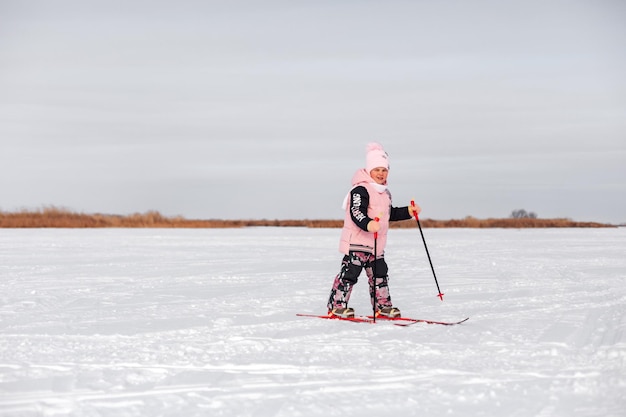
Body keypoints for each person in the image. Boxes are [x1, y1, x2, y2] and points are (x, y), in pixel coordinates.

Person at [327, 142, 421, 319]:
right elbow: (356, 212)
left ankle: (382, 306)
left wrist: (408, 212)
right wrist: (369, 224)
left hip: (377, 245)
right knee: (349, 274)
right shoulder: (360, 189)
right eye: (377, 169)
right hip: (357, 242)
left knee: (380, 275)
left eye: (384, 170)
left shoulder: (385, 193)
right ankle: (336, 306)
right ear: (369, 170)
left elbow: (388, 214)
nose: (380, 173)